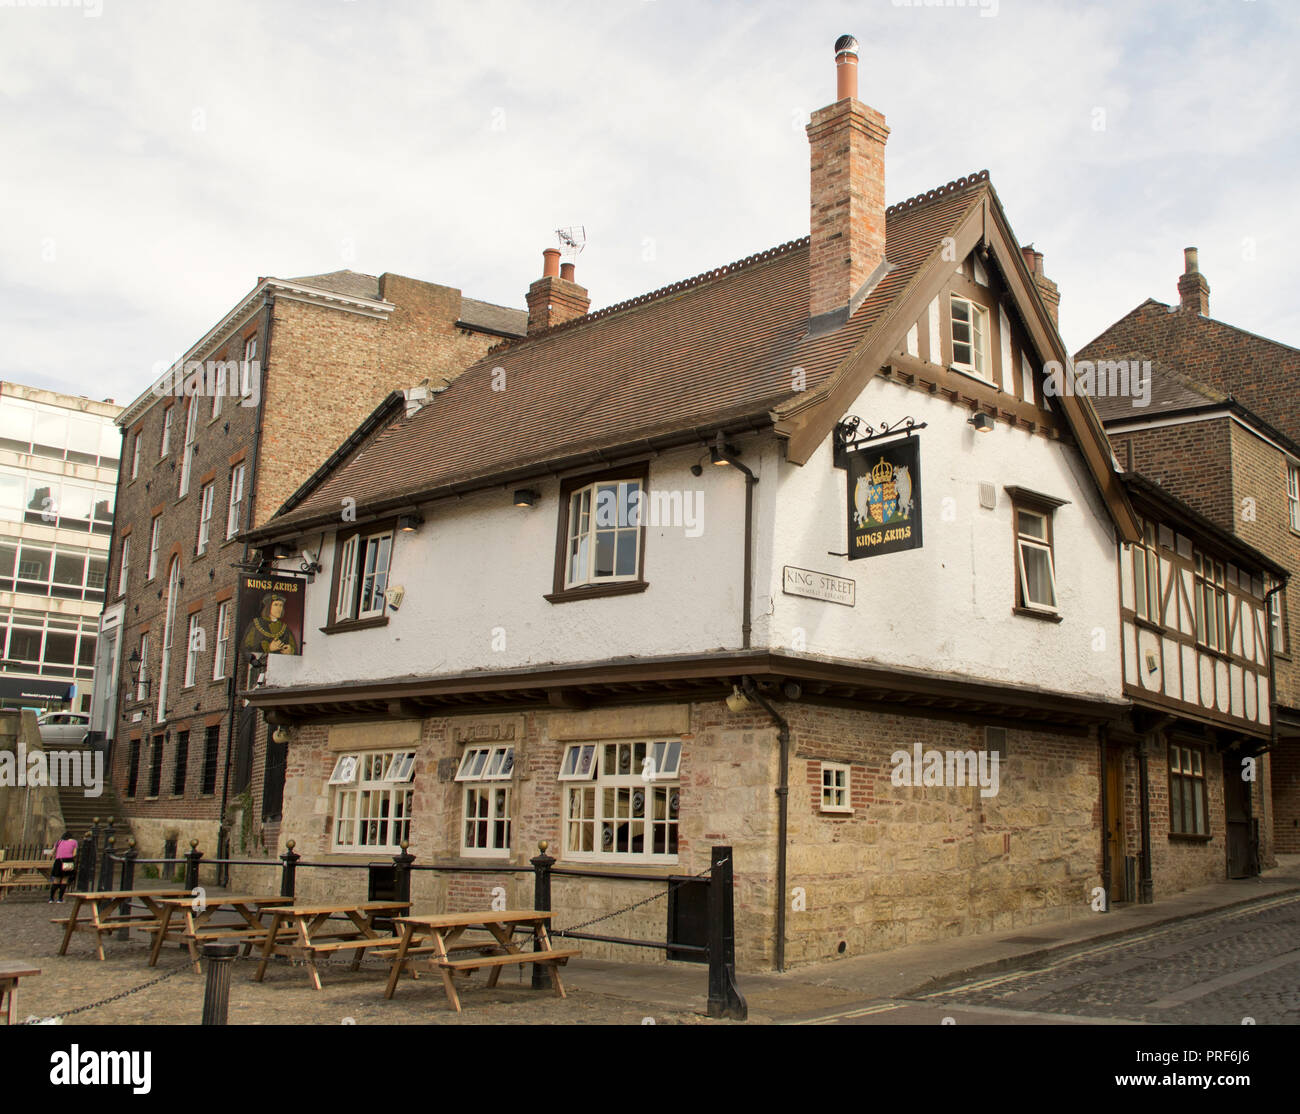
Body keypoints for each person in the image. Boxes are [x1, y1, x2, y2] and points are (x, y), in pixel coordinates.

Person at [49, 831, 77, 903]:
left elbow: (52, 852)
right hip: (68, 861)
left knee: (56, 880)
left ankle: (51, 898)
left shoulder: (58, 842)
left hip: (58, 861)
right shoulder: (74, 842)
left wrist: (56, 856)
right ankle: (60, 899)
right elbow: (74, 854)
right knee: (64, 880)